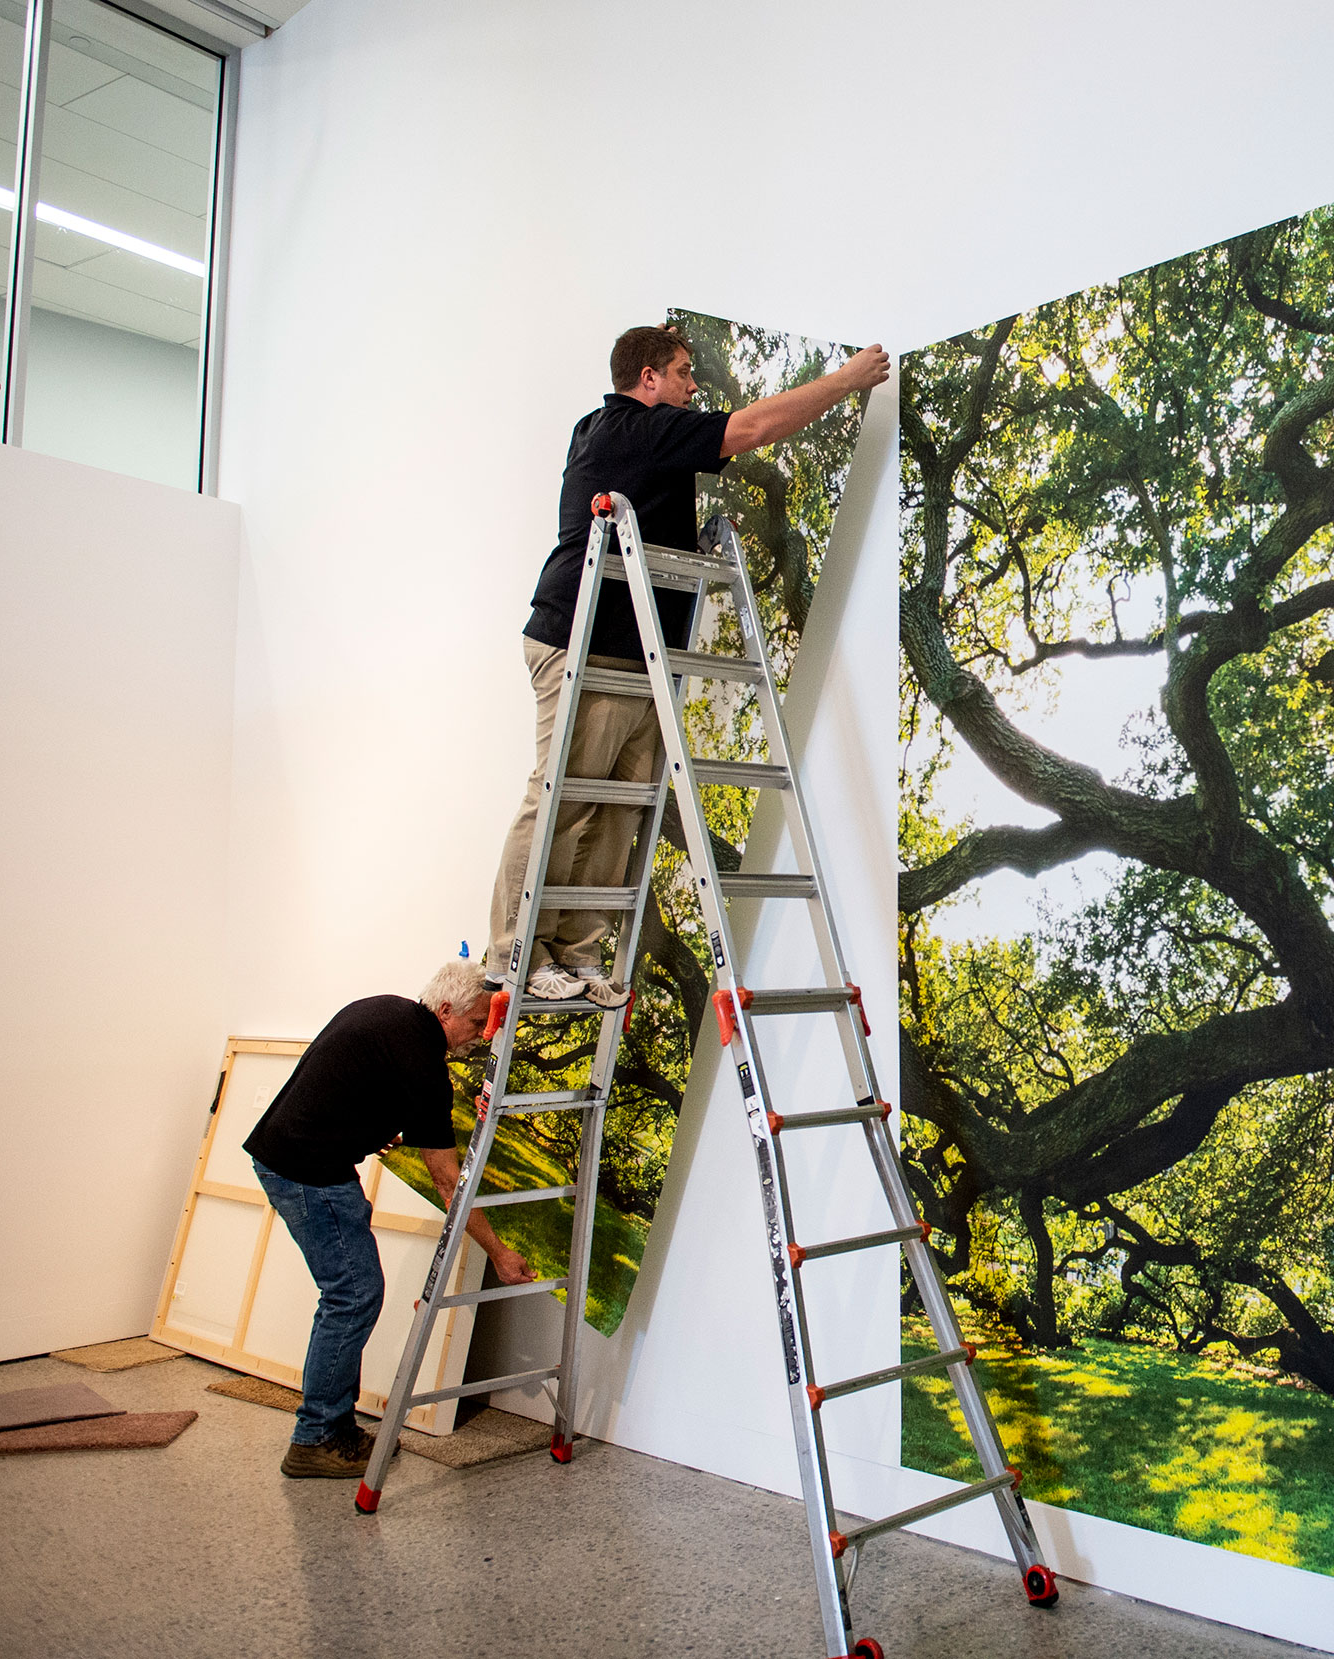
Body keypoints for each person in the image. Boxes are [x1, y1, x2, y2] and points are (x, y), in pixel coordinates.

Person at [488, 324, 891, 1006]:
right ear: (648, 380)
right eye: (680, 372)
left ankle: (576, 951)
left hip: (639, 653)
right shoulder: (629, 430)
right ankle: (516, 952)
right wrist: (845, 381)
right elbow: (754, 427)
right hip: (585, 644)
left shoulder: (635, 439)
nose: (692, 385)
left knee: (623, 810)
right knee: (566, 795)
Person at [242, 958, 535, 1478]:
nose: (482, 1037)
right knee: (352, 1296)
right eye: (475, 1023)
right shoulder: (424, 1065)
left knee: (349, 1294)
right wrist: (499, 1252)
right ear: (446, 1010)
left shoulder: (387, 1013)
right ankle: (314, 1439)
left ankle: (332, 1428)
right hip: (307, 1173)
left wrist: (362, 1123)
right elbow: (449, 1181)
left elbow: (340, 1080)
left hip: (286, 1156)